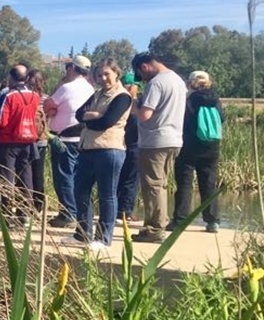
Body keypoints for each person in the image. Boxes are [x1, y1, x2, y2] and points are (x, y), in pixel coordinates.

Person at [71, 58, 133, 251]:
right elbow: (79, 114)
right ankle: (83, 233)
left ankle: (104, 237)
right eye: (99, 75)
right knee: (80, 190)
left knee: (107, 194)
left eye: (107, 74)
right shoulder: (97, 94)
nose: (103, 78)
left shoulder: (123, 97)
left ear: (116, 73)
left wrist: (92, 118)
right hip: (88, 148)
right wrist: (91, 116)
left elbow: (107, 121)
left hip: (110, 150)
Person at [131, 52, 187, 243]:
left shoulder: (157, 83)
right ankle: (156, 224)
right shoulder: (178, 80)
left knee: (152, 186)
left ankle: (155, 229)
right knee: (161, 184)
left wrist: (132, 102)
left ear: (144, 67)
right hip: (174, 139)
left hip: (155, 141)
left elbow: (145, 115)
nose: (143, 80)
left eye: (141, 75)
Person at [43, 55, 95, 227]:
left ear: (72, 68)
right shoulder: (91, 89)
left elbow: (48, 105)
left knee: (63, 176)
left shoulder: (66, 88)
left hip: (64, 138)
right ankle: (78, 212)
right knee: (77, 177)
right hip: (84, 139)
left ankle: (68, 213)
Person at [170, 70, 224, 233]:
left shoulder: (189, 100)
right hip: (212, 147)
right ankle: (212, 221)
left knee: (185, 184)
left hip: (189, 146)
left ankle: (180, 220)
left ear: (189, 83)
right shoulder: (216, 100)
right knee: (209, 184)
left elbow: (181, 119)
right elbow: (222, 118)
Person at [0, 64, 41, 221]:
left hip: (9, 141)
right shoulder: (35, 96)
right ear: (26, 78)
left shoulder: (9, 95)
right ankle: (24, 213)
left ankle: (6, 213)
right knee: (25, 176)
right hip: (28, 141)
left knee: (7, 177)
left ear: (10, 78)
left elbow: (0, 121)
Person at [116, 72, 141, 223]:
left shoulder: (118, 102)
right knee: (131, 180)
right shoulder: (133, 105)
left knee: (120, 179)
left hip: (120, 146)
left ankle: (120, 210)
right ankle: (125, 211)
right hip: (133, 146)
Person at [25, 69, 49, 214]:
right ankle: (38, 205)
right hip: (41, 139)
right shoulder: (46, 98)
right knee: (38, 172)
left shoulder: (26, 96)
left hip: (25, 138)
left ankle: (25, 203)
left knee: (25, 172)